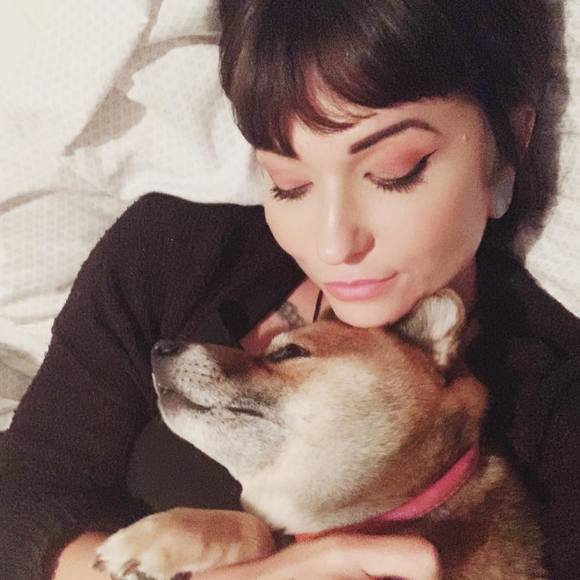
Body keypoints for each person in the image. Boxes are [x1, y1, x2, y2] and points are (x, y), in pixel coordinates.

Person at [1, 1, 578, 578]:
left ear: (509, 145)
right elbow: (20, 503)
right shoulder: (173, 253)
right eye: (288, 183)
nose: (333, 242)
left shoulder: (554, 408)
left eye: (395, 171)